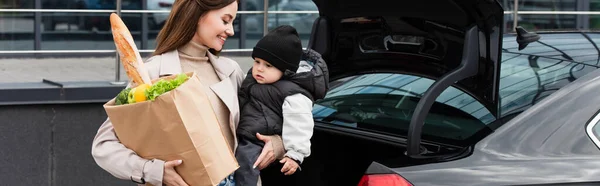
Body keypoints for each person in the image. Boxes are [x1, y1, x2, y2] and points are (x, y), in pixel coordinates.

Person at [91, 0, 287, 185]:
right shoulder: (152, 73)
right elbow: (104, 145)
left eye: (233, 22)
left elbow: (262, 120)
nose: (231, 30)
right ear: (198, 14)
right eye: (225, 20)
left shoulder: (231, 71)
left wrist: (277, 144)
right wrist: (154, 171)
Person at [233, 25, 329, 186]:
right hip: (243, 133)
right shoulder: (254, 78)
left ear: (286, 71)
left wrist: (295, 155)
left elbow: (299, 123)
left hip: (259, 140)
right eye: (257, 62)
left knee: (246, 164)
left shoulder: (293, 93)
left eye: (268, 65)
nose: (259, 69)